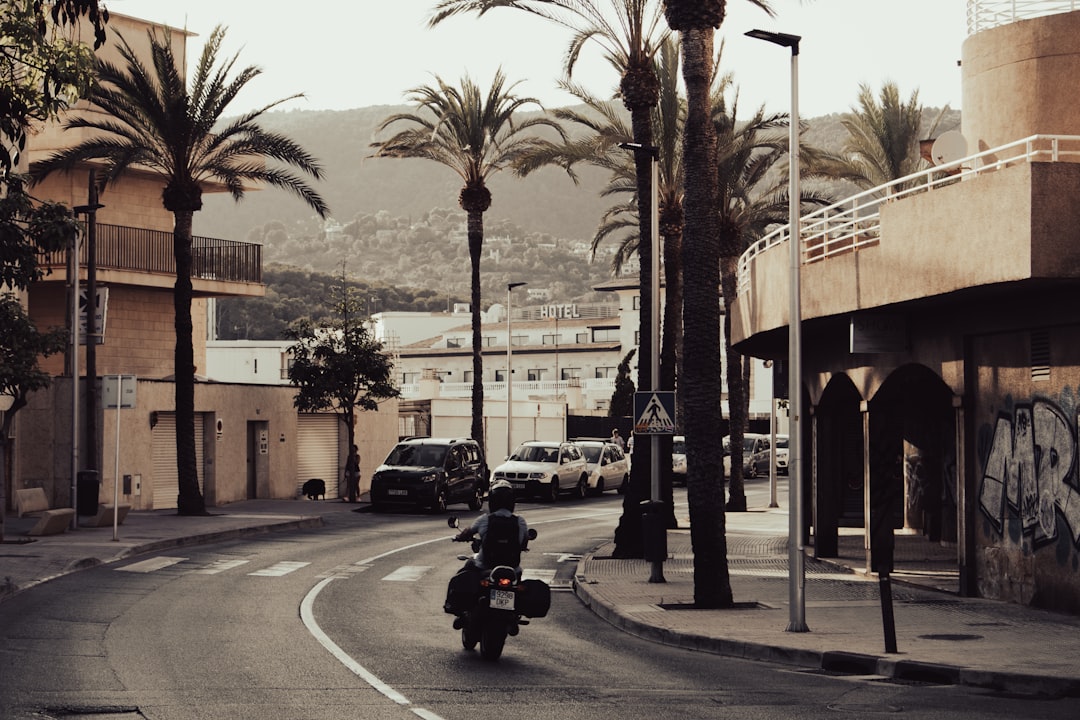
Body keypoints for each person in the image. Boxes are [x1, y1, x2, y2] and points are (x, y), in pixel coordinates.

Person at [445, 480, 530, 620]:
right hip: (512, 568)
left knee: (465, 570)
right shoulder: (520, 521)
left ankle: (456, 608)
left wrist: (458, 537)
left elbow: (468, 532)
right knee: (519, 581)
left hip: (485, 565)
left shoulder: (485, 519)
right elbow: (524, 541)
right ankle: (515, 614)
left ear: (492, 500)